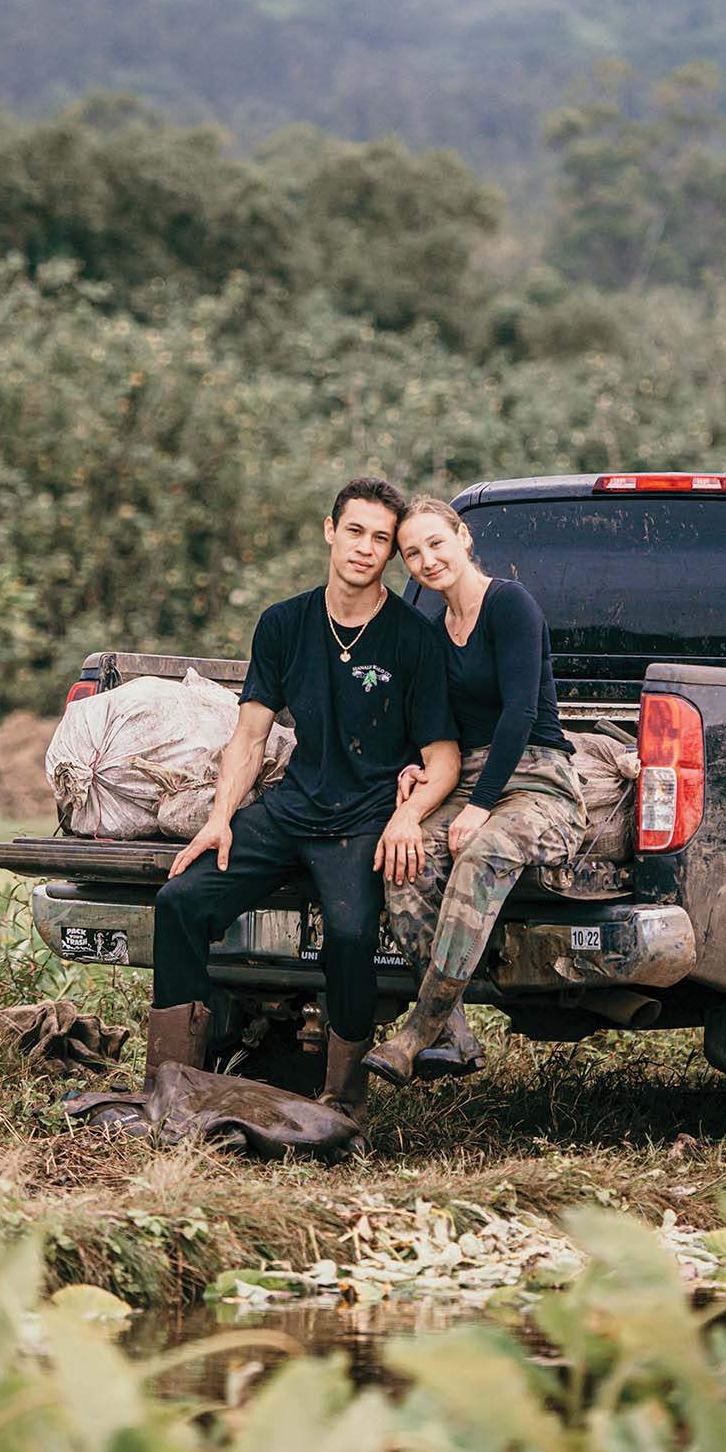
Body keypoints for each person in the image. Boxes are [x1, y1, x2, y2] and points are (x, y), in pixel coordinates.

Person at [150, 477, 460, 1129]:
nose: (366, 548)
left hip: (363, 820)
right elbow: (250, 736)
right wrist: (218, 818)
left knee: (349, 936)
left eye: (382, 539)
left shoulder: (412, 638)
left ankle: (343, 1099)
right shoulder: (284, 623)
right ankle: (170, 1084)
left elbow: (443, 759)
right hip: (291, 809)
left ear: (391, 554)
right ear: (329, 530)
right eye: (356, 531)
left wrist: (407, 815)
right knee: (180, 900)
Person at [363, 496, 588, 1087]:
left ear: (463, 538)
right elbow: (448, 728)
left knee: (481, 850)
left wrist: (481, 808)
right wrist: (417, 767)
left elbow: (518, 713)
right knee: (404, 863)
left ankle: (417, 1031)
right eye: (412, 553)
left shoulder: (509, 603)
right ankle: (455, 1035)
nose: (426, 559)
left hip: (538, 782)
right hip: (470, 779)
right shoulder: (438, 633)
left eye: (436, 543)